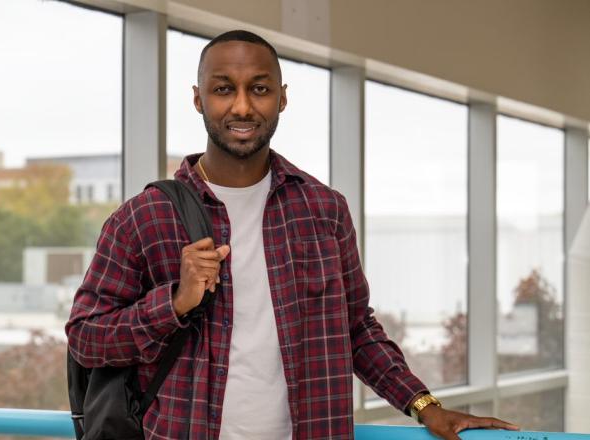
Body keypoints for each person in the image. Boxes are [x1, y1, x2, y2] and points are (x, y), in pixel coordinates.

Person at [65, 30, 519, 440]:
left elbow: (356, 329)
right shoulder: (146, 216)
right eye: (223, 89)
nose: (242, 107)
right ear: (198, 99)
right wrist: (174, 303)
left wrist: (425, 406)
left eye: (259, 89)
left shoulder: (324, 211)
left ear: (282, 98)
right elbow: (86, 337)